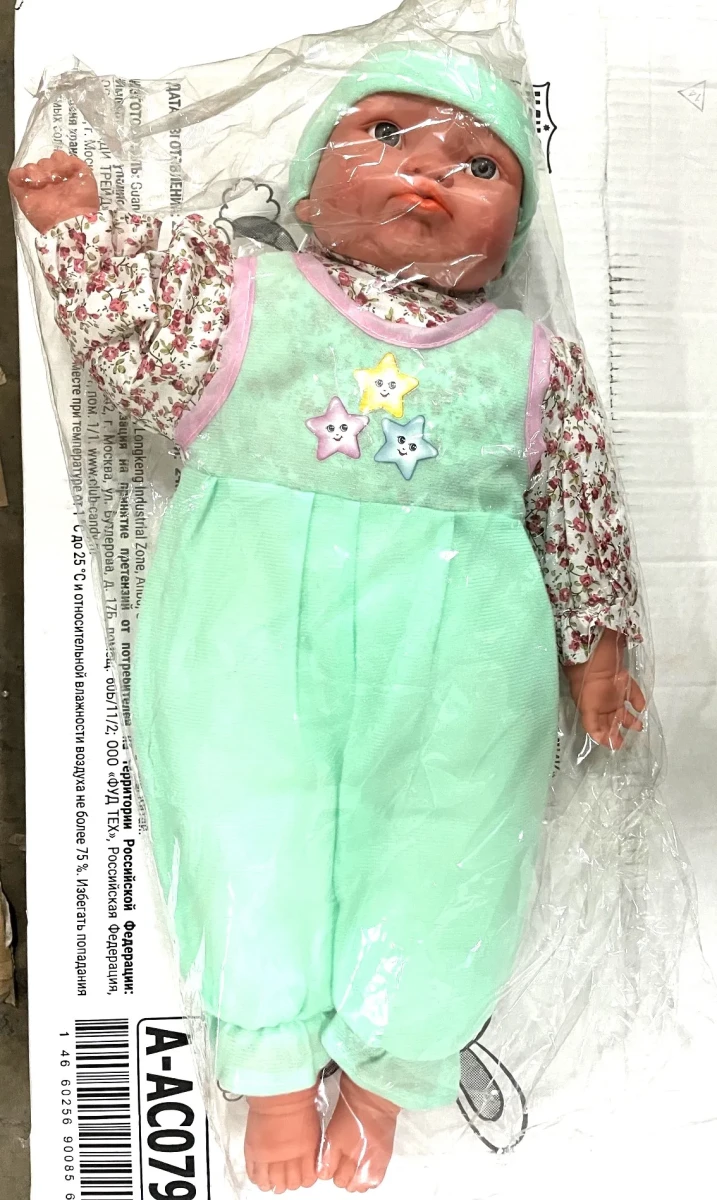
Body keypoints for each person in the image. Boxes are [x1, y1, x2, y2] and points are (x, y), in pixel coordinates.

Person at [10, 43, 645, 1195]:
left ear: (514, 232)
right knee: (245, 822)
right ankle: (267, 1067)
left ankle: (393, 1068)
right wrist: (81, 233)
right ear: (307, 188)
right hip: (249, 633)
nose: (429, 172)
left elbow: (577, 502)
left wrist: (594, 650)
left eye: (482, 165)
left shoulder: (529, 364)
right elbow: (131, 334)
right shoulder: (245, 298)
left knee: (450, 838)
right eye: (387, 135)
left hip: (461, 654)